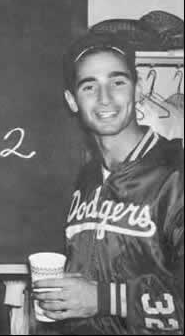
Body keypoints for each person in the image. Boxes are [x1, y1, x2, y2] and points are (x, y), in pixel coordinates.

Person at [33, 32, 184, 334]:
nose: (105, 98)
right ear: (72, 101)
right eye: (89, 86)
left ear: (138, 89)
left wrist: (106, 299)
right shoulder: (83, 179)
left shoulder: (175, 171)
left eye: (117, 82)